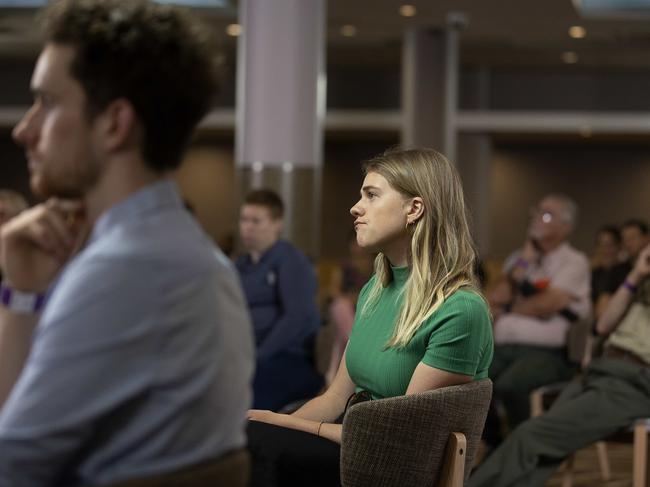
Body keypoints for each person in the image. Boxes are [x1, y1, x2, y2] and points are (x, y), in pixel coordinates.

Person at [0, 1, 254, 485]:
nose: (24, 129)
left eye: (48, 104)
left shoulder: (124, 269)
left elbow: (11, 467)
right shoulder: (183, 252)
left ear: (114, 124)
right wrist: (24, 290)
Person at [246, 148, 494, 487]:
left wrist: (290, 425)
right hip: (353, 445)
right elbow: (335, 398)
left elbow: (399, 436)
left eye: (372, 195)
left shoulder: (459, 310)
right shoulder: (376, 290)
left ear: (414, 209)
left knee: (256, 446)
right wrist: (280, 422)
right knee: (246, 439)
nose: (355, 207)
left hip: (388, 466)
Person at [469, 242, 650, 487]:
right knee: (547, 445)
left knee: (531, 435)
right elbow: (603, 325)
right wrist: (636, 274)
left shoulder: (572, 261)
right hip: (601, 370)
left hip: (634, 382)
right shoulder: (642, 283)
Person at [485, 194, 591, 443]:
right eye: (536, 213)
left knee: (512, 385)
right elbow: (491, 300)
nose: (536, 219)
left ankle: (523, 447)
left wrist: (509, 308)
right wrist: (524, 262)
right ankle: (497, 445)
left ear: (565, 227)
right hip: (503, 349)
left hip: (548, 354)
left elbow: (546, 304)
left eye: (546, 215)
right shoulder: (519, 258)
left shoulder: (574, 261)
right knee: (472, 382)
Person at [236, 189, 323, 411]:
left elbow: (296, 317)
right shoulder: (241, 265)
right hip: (245, 354)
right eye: (244, 219)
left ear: (277, 224)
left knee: (242, 397)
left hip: (287, 357)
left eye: (256, 221)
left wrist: (258, 356)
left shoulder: (290, 260)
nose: (247, 226)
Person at [591, 225, 630, 318]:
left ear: (619, 246)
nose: (605, 250)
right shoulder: (595, 272)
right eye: (601, 245)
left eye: (609, 245)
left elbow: (602, 311)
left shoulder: (625, 272)